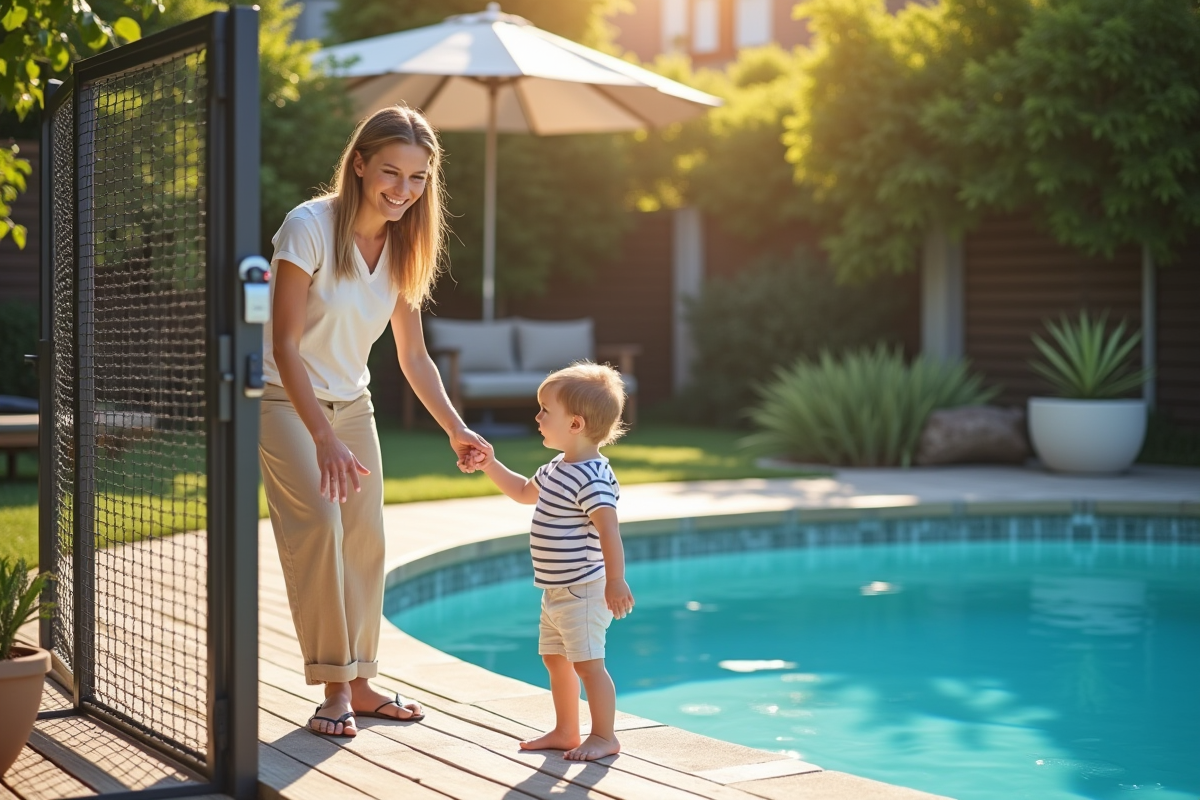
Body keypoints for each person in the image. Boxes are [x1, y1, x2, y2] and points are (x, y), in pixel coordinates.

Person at [259, 105, 491, 737]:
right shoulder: (307, 227)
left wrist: (454, 427)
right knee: (321, 531)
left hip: (352, 405)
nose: (402, 190)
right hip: (287, 399)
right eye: (391, 172)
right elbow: (283, 345)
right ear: (359, 164)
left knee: (366, 541)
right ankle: (334, 686)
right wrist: (322, 437)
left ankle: (362, 683)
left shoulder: (406, 244)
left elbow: (412, 356)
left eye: (417, 179)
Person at [471, 362, 635, 761]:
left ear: (576, 424)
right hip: (556, 589)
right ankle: (566, 730)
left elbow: (609, 532)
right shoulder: (558, 467)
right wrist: (490, 463)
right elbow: (526, 492)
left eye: (546, 410)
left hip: (582, 590)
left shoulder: (592, 477)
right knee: (555, 658)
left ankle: (604, 736)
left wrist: (616, 581)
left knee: (589, 665)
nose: (537, 417)